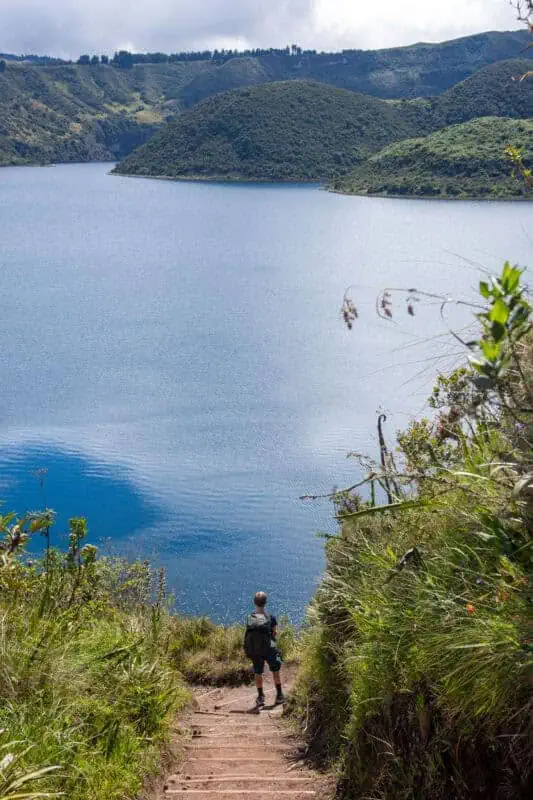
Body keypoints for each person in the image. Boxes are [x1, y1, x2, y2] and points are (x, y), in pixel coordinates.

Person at [243, 590, 284, 708]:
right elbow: (274, 633)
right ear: (265, 603)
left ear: (254, 602)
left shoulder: (250, 617)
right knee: (275, 670)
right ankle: (279, 695)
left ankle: (260, 697)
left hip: (255, 650)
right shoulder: (271, 617)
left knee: (258, 672)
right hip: (269, 649)